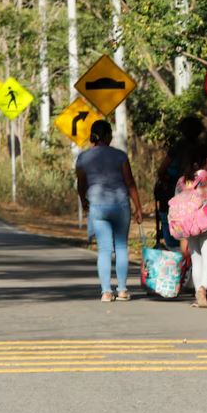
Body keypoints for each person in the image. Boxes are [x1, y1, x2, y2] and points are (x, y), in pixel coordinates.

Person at [76, 120, 143, 302]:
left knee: (104, 250)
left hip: (97, 206)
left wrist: (84, 202)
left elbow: (81, 184)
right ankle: (122, 290)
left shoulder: (83, 157)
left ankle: (106, 291)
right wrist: (138, 207)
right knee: (121, 247)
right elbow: (130, 183)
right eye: (110, 133)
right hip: (120, 205)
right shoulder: (120, 156)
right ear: (107, 136)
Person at [175, 144, 207, 308]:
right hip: (206, 222)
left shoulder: (182, 180)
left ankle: (198, 295)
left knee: (196, 259)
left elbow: (178, 200)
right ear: (203, 161)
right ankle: (202, 289)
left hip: (188, 224)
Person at [155, 116, 204, 251]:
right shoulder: (202, 148)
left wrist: (167, 181)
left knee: (171, 228)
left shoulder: (176, 147)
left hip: (171, 196)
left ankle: (176, 261)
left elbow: (161, 170)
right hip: (195, 198)